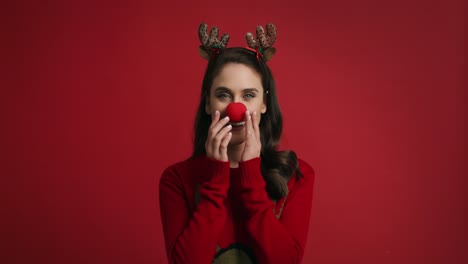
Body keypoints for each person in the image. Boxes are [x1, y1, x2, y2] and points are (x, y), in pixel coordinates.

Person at [159, 23, 315, 264]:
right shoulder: (177, 180)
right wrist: (217, 180)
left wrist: (250, 174)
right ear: (208, 104)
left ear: (264, 104)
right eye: (223, 95)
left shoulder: (296, 175)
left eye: (249, 95)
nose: (236, 109)